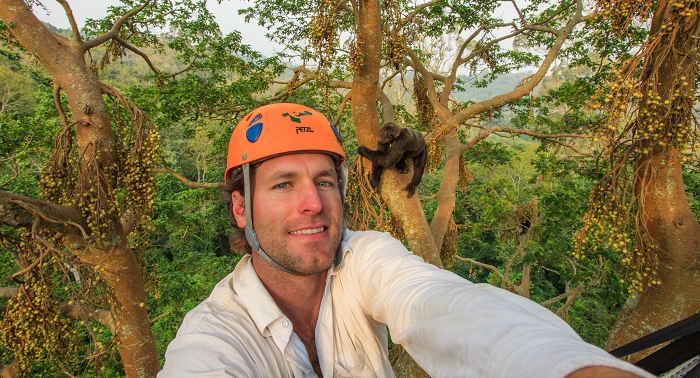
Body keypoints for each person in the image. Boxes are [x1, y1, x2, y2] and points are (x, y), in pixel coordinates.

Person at [159, 103, 652, 378]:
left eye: (325, 181)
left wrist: (568, 369)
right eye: (283, 184)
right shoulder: (213, 339)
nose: (313, 203)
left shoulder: (363, 256)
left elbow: (442, 304)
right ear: (241, 208)